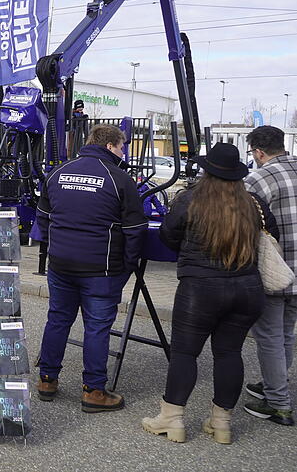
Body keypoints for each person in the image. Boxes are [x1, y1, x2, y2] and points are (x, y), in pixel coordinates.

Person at [142, 143, 275, 444]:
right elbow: (271, 236)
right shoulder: (253, 203)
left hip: (200, 287)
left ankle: (172, 419)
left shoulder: (190, 199)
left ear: (207, 170)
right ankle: (221, 423)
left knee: (185, 353)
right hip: (247, 288)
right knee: (229, 353)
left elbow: (167, 235)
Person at [35, 124, 147, 412]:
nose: (124, 152)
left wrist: (55, 250)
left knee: (58, 320)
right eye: (122, 147)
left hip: (60, 265)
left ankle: (47, 379)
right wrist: (127, 266)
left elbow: (43, 221)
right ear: (110, 146)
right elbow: (136, 231)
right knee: (97, 328)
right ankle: (94, 391)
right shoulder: (120, 179)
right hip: (101, 269)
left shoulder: (58, 173)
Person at [242, 125, 297, 426]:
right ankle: (275, 384)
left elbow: (244, 221)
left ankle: (279, 404)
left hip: (276, 272)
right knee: (286, 334)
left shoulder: (258, 178)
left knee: (270, 337)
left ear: (259, 152)